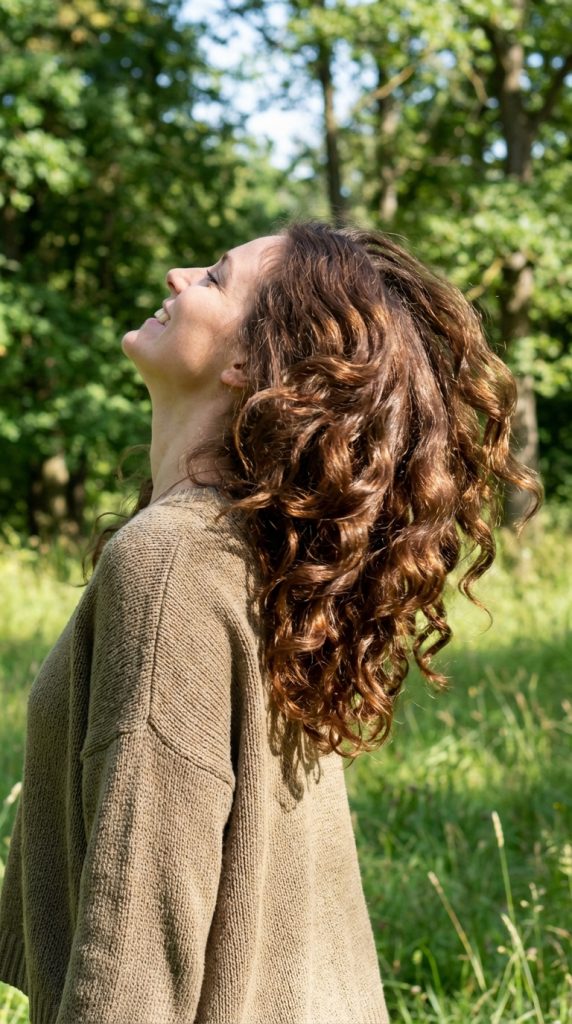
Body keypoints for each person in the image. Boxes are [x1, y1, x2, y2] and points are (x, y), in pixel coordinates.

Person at [0, 220, 542, 1024]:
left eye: (216, 279)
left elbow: (138, 943)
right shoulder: (243, 558)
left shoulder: (174, 561)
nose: (180, 274)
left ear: (253, 362)